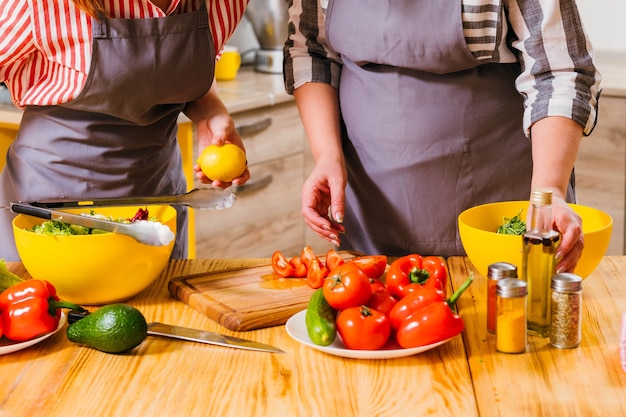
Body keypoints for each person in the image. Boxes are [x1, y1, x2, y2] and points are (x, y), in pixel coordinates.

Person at [283, 0, 601, 274]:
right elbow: (312, 51)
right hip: (370, 209)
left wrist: (549, 194)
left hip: (499, 212)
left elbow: (559, 70)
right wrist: (327, 155)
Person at [0, 0, 251, 261]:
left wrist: (210, 112)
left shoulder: (225, 3)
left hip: (156, 202)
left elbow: (179, 69)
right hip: (49, 205)